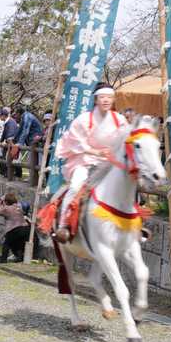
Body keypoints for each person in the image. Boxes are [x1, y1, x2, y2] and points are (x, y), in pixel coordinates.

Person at [54, 83, 128, 243]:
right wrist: (95, 152)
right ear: (96, 99)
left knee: (130, 185)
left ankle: (132, 226)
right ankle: (63, 225)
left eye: (109, 97)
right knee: (75, 187)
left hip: (110, 162)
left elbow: (126, 141)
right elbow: (74, 142)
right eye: (102, 97)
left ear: (113, 99)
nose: (106, 101)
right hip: (85, 160)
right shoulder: (83, 120)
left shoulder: (120, 120)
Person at [0, 193, 30, 263]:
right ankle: (19, 257)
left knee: (7, 243)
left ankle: (3, 260)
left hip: (14, 228)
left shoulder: (6, 209)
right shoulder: (19, 206)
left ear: (6, 202)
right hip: (25, 228)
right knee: (16, 243)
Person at [0, 109, 19, 177]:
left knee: (12, 158)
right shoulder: (8, 122)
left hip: (12, 143)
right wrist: (1, 141)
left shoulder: (10, 122)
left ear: (4, 115)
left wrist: (5, 141)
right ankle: (8, 173)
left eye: (0, 115)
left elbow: (10, 134)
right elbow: (4, 134)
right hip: (10, 143)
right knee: (9, 158)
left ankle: (13, 174)